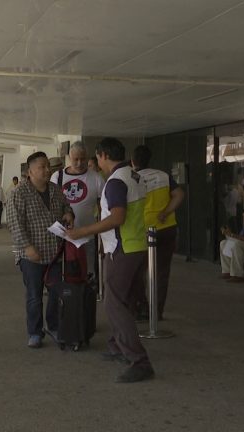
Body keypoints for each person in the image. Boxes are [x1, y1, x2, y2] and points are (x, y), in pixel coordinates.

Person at [66, 137, 154, 383]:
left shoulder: (116, 182)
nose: (97, 162)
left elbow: (117, 218)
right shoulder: (134, 175)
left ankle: (139, 360)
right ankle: (118, 345)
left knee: (114, 303)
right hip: (136, 246)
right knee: (126, 300)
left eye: (97, 158)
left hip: (122, 248)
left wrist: (82, 232)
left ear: (103, 155)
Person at [5, 152, 74, 349]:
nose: (47, 170)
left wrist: (69, 213)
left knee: (55, 292)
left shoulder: (55, 189)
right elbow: (15, 224)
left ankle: (53, 326)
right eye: (42, 167)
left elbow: (66, 206)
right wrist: (27, 247)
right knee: (34, 295)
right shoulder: (19, 193)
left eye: (48, 166)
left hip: (54, 251)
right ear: (30, 172)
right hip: (31, 254)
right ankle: (34, 332)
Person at [131, 145, 185, 318]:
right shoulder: (163, 175)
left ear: (133, 161)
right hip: (167, 228)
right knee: (162, 272)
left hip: (144, 230)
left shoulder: (133, 177)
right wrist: (165, 212)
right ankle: (157, 312)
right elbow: (179, 195)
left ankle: (142, 308)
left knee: (137, 271)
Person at [50, 142, 106, 279]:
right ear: (69, 157)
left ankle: (85, 295)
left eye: (83, 159)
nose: (80, 162)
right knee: (62, 271)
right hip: (61, 236)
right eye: (76, 159)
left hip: (88, 236)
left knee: (87, 272)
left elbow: (103, 209)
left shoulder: (97, 178)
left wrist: (103, 237)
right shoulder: (57, 177)